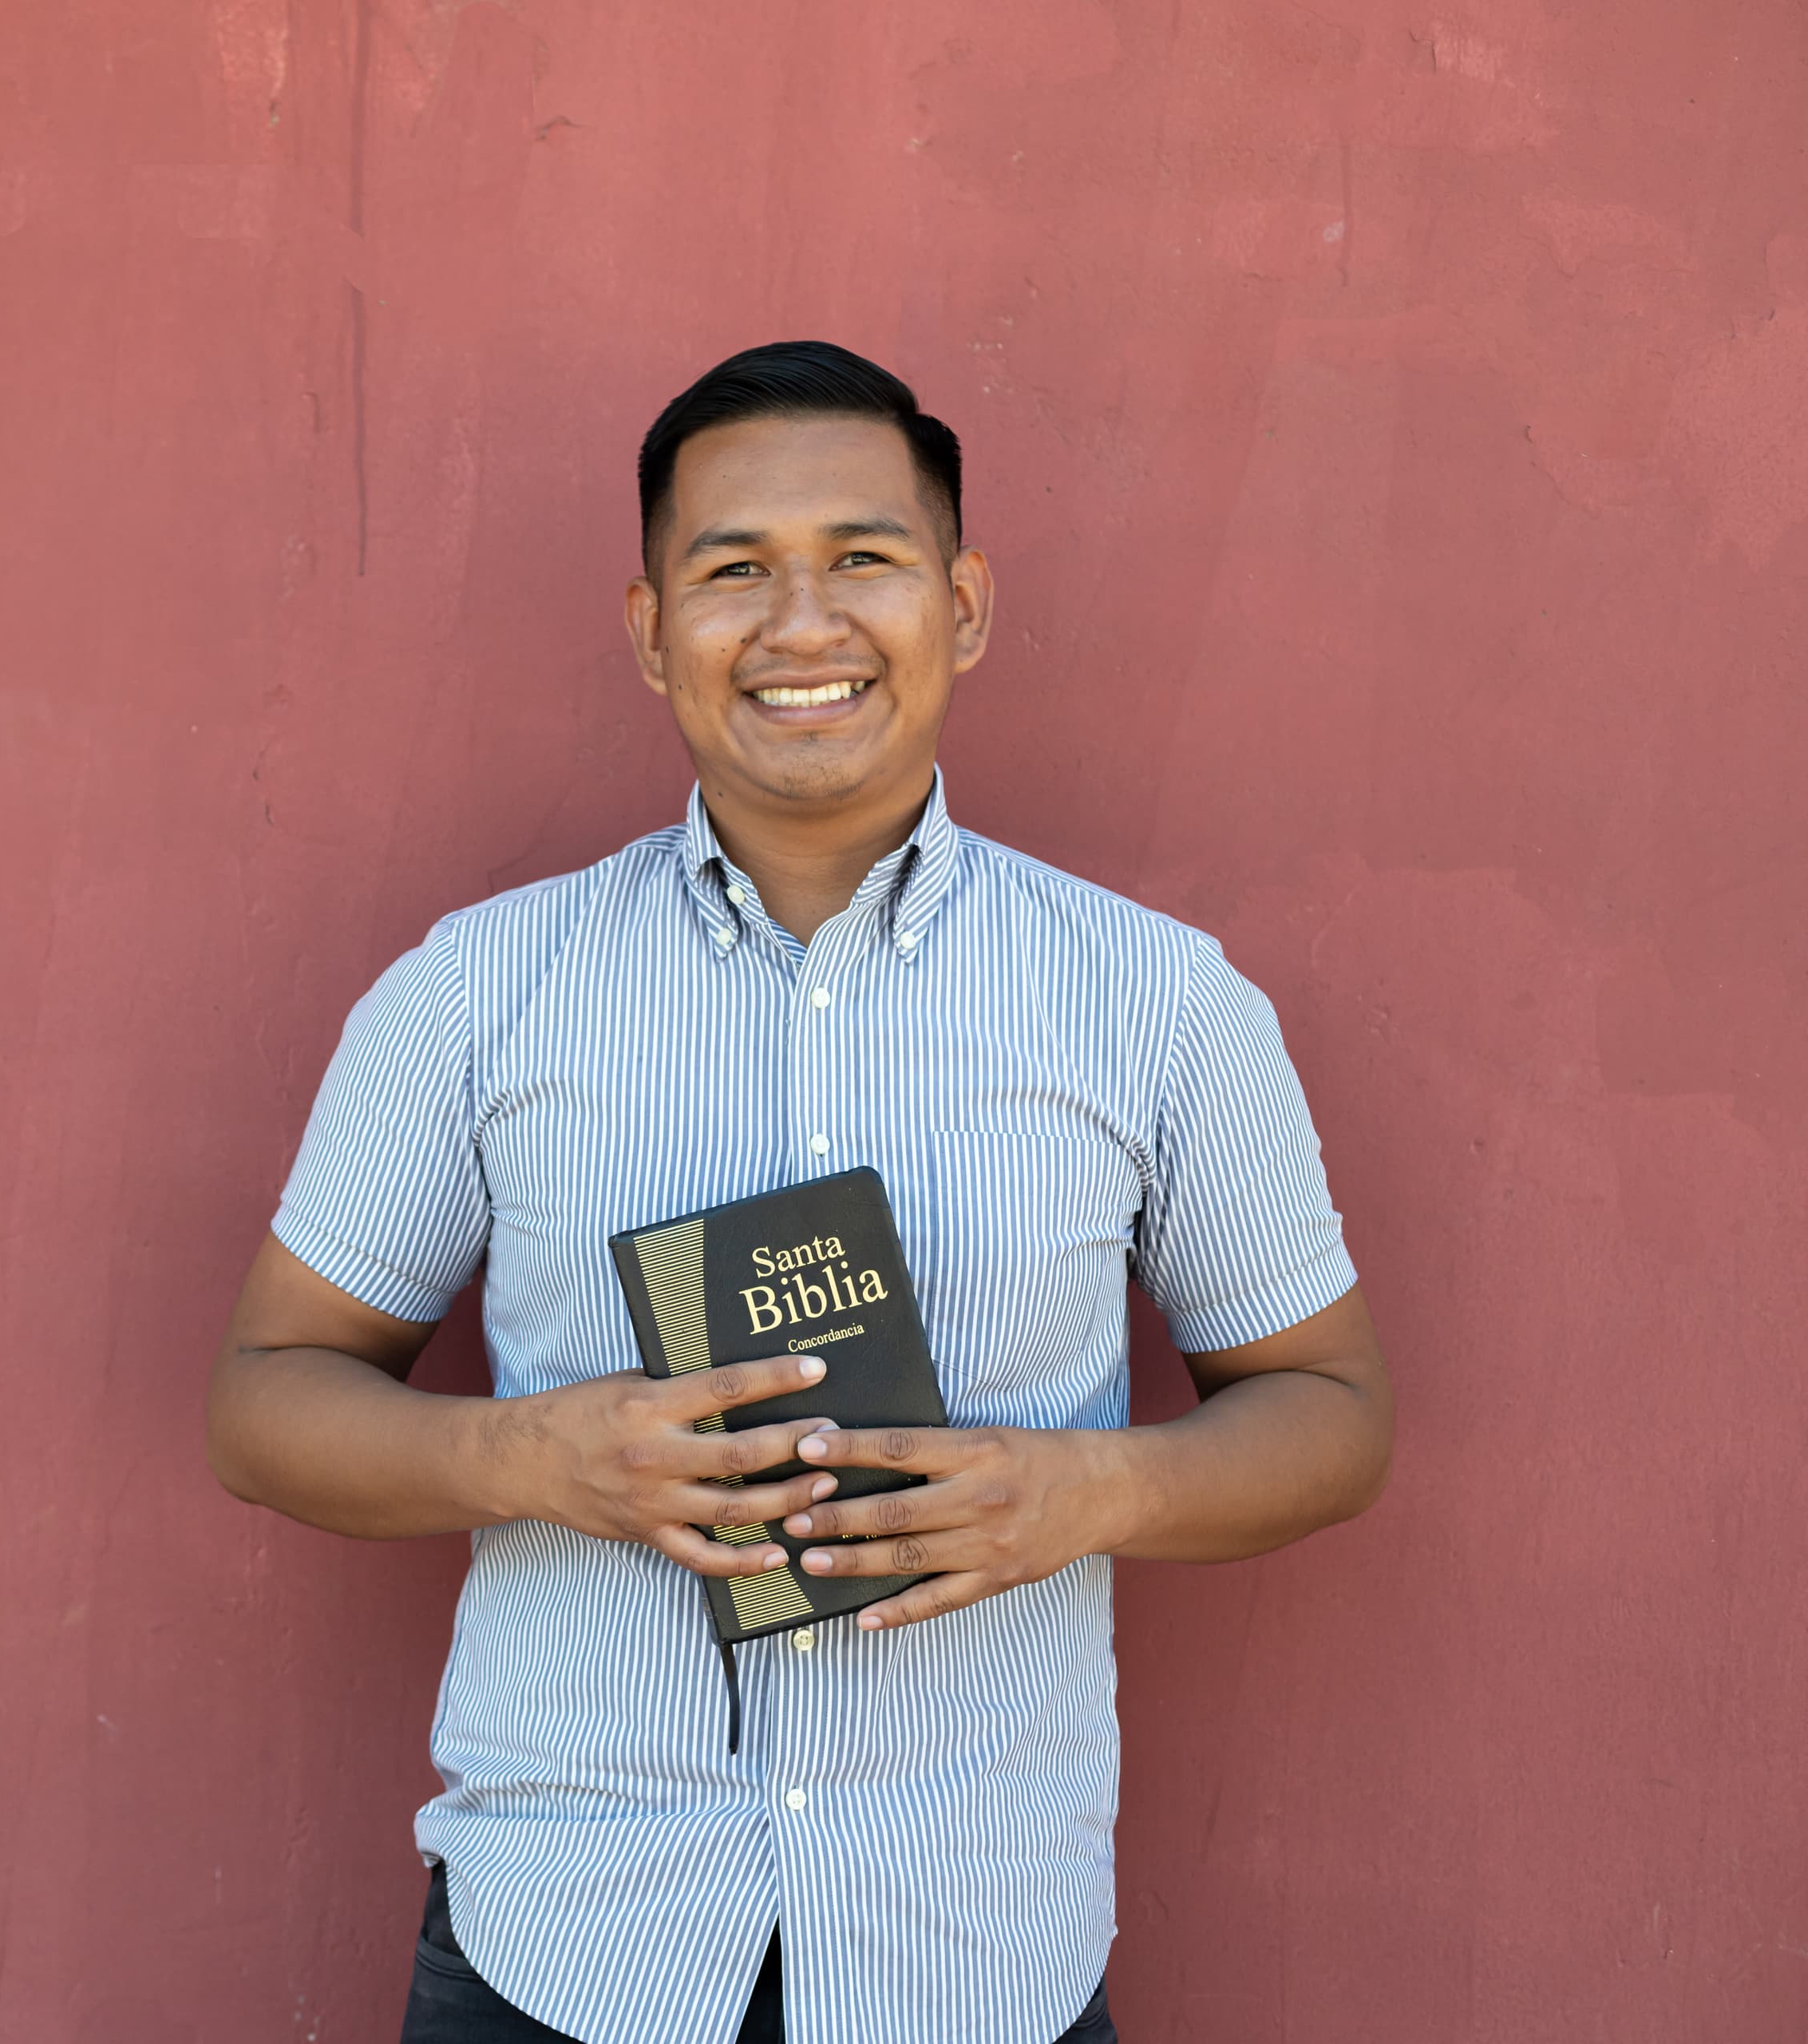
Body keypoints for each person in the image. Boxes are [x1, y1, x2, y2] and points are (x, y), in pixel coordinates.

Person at [205, 342, 1394, 2044]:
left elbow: (1333, 1411)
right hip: (565, 1947)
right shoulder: (478, 990)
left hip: (978, 1949)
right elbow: (262, 1401)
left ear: (964, 604)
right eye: (734, 570)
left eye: (864, 557)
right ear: (648, 629)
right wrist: (536, 1454)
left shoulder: (1158, 1000)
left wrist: (1087, 1493)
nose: (802, 624)